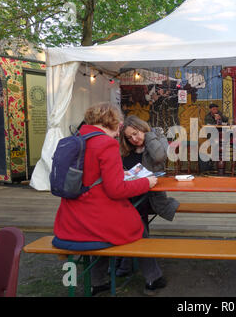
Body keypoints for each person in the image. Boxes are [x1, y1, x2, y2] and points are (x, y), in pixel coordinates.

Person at [52, 102, 159, 296]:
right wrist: (147, 183)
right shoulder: (106, 144)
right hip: (95, 222)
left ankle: (97, 281)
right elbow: (116, 190)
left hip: (69, 223)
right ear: (111, 121)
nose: (119, 132)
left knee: (107, 229)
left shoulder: (75, 139)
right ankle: (153, 277)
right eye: (119, 126)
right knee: (138, 224)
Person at [117, 115, 180, 286]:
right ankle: (131, 266)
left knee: (135, 223)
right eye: (129, 137)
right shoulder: (125, 147)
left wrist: (149, 134)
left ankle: (127, 264)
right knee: (135, 222)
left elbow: (160, 157)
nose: (134, 139)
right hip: (130, 195)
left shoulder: (156, 138)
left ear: (142, 128)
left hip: (151, 197)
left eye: (136, 133)